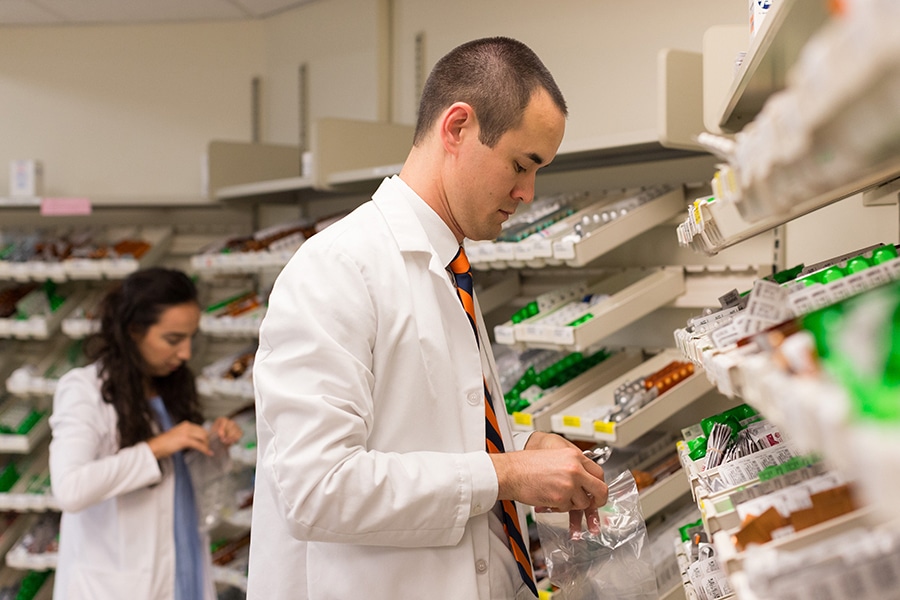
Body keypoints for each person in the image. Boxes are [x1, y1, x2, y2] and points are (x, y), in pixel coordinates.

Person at [247, 36, 609, 600]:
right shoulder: (338, 268)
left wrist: (520, 446)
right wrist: (505, 475)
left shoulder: (447, 266)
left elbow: (426, 428)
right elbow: (315, 487)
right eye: (521, 164)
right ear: (457, 127)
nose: (527, 193)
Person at [49, 267, 243, 600]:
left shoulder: (168, 388)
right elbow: (69, 489)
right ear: (134, 331)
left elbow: (174, 485)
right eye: (173, 340)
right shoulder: (84, 391)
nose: (185, 354)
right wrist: (156, 447)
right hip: (119, 584)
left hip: (182, 565)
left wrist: (212, 445)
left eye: (190, 338)